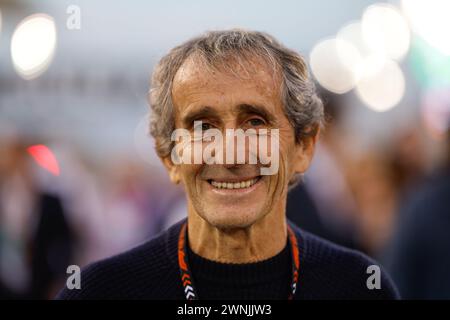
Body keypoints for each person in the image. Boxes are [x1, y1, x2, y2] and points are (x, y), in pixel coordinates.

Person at [57, 29, 398, 300]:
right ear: (169, 156)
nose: (231, 154)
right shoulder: (101, 292)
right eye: (203, 126)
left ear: (304, 147)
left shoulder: (358, 287)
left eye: (255, 122)